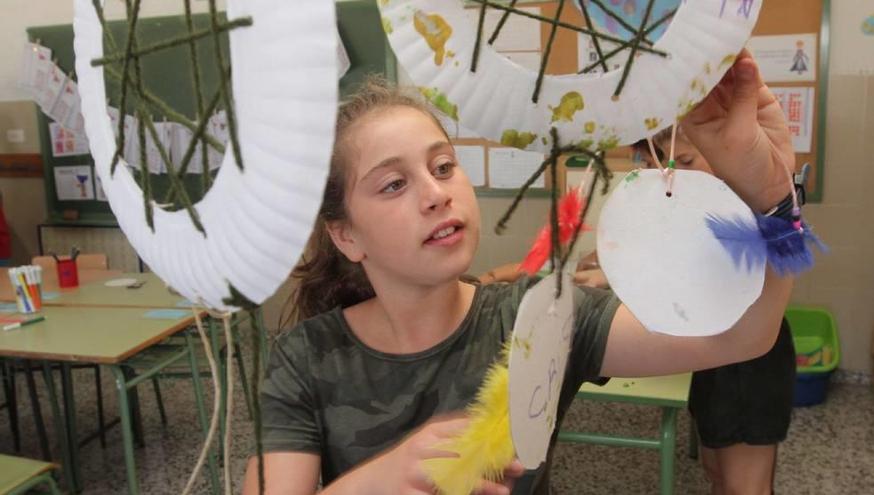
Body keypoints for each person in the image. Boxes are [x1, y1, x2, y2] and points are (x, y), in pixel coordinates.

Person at [243, 50, 795, 494]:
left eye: (442, 167)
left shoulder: (541, 316)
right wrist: (374, 483)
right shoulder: (303, 358)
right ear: (346, 235)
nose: (437, 194)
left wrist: (771, 194)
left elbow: (743, 333)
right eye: (394, 184)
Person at [648, 126, 796, 495]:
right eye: (667, 164)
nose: (675, 174)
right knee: (716, 470)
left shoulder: (751, 204)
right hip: (712, 351)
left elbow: (785, 247)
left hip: (753, 360)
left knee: (745, 485)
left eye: (685, 160)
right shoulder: (696, 204)